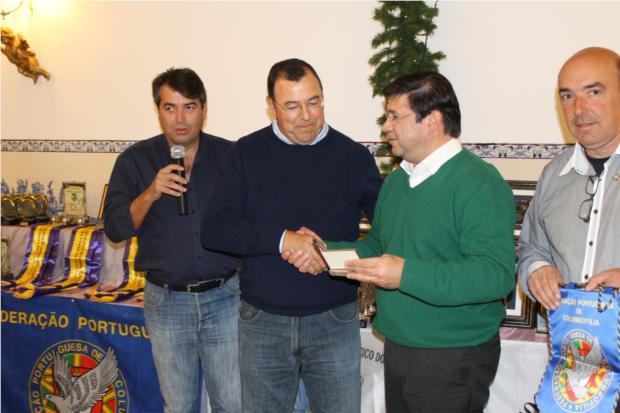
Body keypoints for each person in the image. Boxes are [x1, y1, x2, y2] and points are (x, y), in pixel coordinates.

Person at [287, 71, 516, 412]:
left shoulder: (479, 182)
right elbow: (378, 248)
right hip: (399, 345)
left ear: (432, 121)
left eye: (395, 116)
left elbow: (494, 275)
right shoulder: (397, 181)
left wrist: (404, 274)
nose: (386, 127)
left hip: (452, 355)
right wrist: (324, 254)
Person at [201, 58, 382, 413]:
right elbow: (215, 229)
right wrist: (285, 240)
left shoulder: (354, 157)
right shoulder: (244, 154)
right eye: (292, 106)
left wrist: (330, 257)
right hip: (262, 320)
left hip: (334, 318)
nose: (306, 116)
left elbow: (388, 231)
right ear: (270, 106)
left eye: (314, 102)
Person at [104, 68, 241, 413]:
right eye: (170, 108)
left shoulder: (231, 156)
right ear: (158, 110)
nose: (180, 119)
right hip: (166, 303)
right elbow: (115, 229)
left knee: (234, 403)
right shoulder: (134, 161)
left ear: (204, 109)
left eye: (189, 107)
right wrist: (151, 192)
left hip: (225, 298)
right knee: (179, 405)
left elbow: (254, 221)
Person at [517, 47, 620, 308]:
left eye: (593, 92)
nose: (578, 109)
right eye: (567, 96)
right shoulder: (553, 175)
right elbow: (531, 248)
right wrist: (537, 270)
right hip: (570, 334)